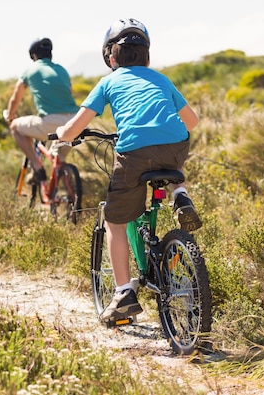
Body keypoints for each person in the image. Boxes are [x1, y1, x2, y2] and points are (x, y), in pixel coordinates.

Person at [55, 18, 202, 323]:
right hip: (175, 147)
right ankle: (181, 194)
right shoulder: (162, 79)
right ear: (147, 55)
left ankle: (123, 293)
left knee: (114, 221)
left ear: (110, 58)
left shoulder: (109, 81)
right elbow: (193, 121)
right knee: (173, 154)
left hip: (134, 154)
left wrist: (62, 134)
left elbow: (74, 129)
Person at [5, 37, 80, 183]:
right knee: (59, 159)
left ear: (33, 56)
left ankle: (37, 166)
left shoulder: (30, 70)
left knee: (15, 127)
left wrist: (11, 116)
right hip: (76, 121)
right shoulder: (62, 70)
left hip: (51, 122)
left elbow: (15, 98)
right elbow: (68, 93)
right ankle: (68, 190)